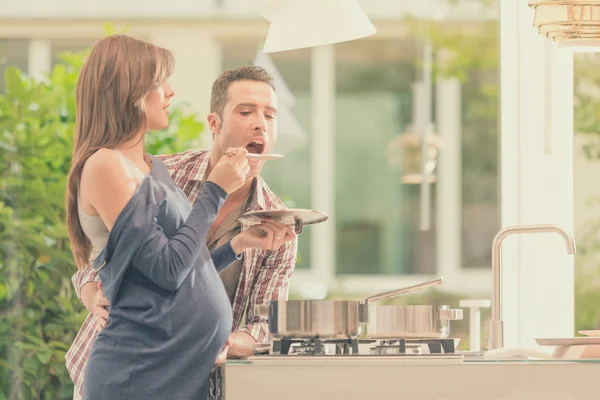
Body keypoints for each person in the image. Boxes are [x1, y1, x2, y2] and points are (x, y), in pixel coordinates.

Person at [65, 35, 294, 400]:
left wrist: (237, 245)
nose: (260, 125)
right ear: (215, 123)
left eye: (270, 115)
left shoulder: (151, 168)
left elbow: (185, 272)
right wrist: (215, 190)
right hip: (138, 369)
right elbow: (145, 266)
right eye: (246, 112)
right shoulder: (149, 170)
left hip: (185, 375)